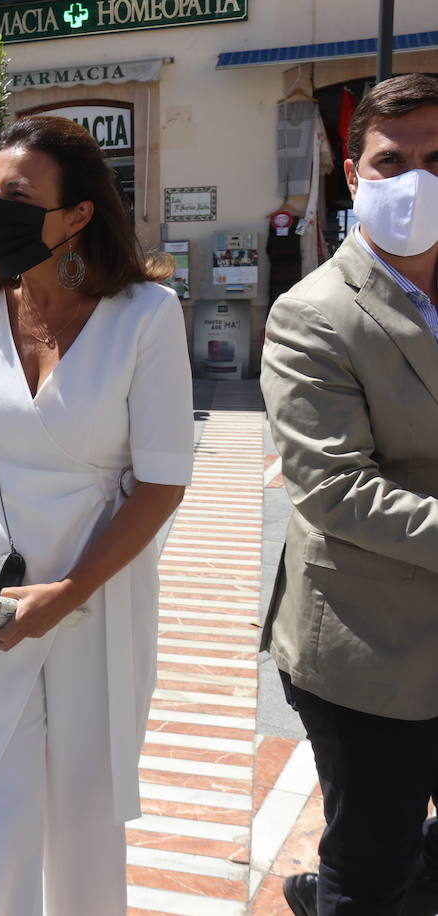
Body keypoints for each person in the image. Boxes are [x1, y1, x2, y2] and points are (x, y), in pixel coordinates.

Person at [0, 116, 193, 915]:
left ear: (79, 214)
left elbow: (162, 482)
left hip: (95, 599)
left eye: (17, 196)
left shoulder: (146, 314)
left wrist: (70, 591)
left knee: (81, 815)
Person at [260, 73, 438, 916]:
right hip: (373, 653)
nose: (415, 178)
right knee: (369, 866)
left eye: (437, 159)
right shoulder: (314, 314)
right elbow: (335, 489)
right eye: (392, 159)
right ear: (354, 170)